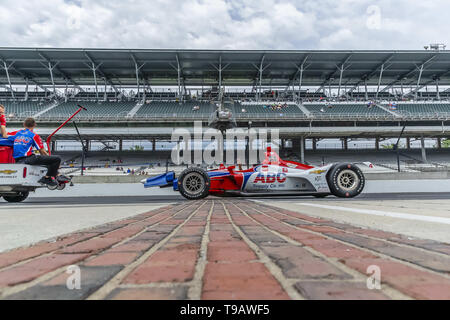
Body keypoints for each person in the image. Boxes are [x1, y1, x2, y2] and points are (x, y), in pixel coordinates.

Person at [10, 117, 61, 187]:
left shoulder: (16, 133)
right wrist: (54, 163)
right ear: (34, 125)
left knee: (46, 160)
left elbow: (4, 135)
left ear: (24, 124)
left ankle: (56, 174)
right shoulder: (34, 135)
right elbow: (42, 151)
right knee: (57, 159)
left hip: (17, 160)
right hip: (28, 159)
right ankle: (47, 178)